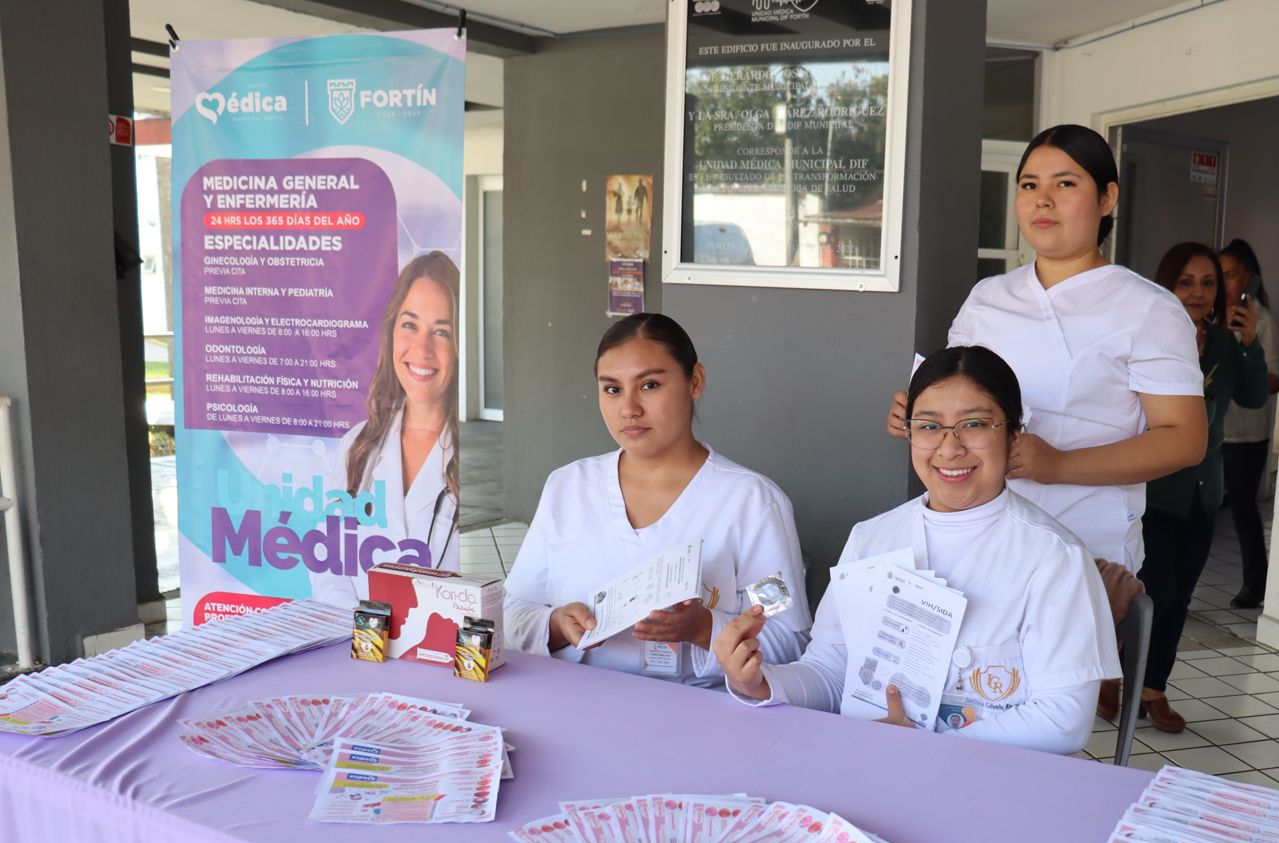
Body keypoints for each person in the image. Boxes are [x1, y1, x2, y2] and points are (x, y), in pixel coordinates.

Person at [720, 346, 1120, 756]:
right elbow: (831, 672)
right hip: (872, 763)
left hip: (996, 777)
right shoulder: (870, 539)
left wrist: (924, 747)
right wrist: (761, 682)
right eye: (929, 426)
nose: (949, 448)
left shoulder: (1055, 558)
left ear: (1013, 436)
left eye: (974, 424)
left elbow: (1063, 721)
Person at [885, 124, 1206, 572]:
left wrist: (1057, 465)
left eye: (1065, 184)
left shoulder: (1148, 308)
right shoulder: (987, 297)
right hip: (977, 534)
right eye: (1029, 185)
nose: (1043, 200)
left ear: (1107, 198)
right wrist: (919, 415)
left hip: (1085, 544)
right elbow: (952, 393)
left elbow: (1185, 440)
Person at [504, 312, 810, 686]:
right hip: (573, 697)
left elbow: (790, 640)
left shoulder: (751, 502)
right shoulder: (568, 486)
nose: (629, 409)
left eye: (649, 385)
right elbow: (514, 609)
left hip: (696, 712)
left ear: (695, 381)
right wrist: (554, 625)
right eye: (612, 389)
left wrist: (706, 629)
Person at [1113, 243, 1267, 734]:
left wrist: (1250, 344)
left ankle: (1153, 689)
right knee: (1152, 592)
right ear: (1166, 285)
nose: (1198, 293)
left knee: (1180, 596)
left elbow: (1253, 396)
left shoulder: (1223, 342)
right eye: (1186, 282)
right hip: (1153, 489)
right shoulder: (1146, 337)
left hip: (1203, 491)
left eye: (1208, 283)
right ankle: (1115, 677)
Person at [313, 250, 460, 607]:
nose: (422, 348)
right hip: (357, 636)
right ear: (392, 331)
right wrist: (362, 629)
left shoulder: (468, 459)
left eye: (441, 331)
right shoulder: (358, 445)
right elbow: (330, 562)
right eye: (410, 325)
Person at [1218, 238, 1279, 609]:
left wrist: (1245, 369)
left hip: (1246, 434)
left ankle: (1254, 583)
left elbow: (1276, 378)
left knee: (1243, 508)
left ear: (1248, 278)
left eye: (1231, 275)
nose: (1224, 282)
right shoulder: (1213, 317)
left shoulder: (1262, 320)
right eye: (1220, 275)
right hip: (1214, 428)